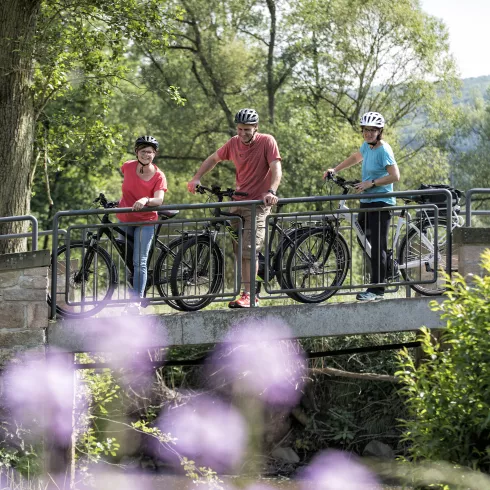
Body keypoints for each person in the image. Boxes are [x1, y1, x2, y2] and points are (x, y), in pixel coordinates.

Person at [187, 108, 282, 308]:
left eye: (247, 129)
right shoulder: (233, 142)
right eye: (239, 129)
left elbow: (276, 169)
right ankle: (257, 272)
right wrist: (197, 177)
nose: (242, 133)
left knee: (248, 251)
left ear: (256, 127)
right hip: (237, 204)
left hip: (258, 204)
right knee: (239, 249)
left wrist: (271, 191)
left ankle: (250, 295)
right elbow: (214, 158)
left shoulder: (267, 141)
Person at [323, 111, 400, 301]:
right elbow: (355, 158)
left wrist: (371, 183)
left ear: (379, 131)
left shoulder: (384, 149)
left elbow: (395, 176)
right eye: (366, 130)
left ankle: (377, 290)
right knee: (364, 240)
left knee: (377, 247)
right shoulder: (367, 146)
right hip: (366, 201)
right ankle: (388, 266)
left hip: (381, 203)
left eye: (373, 130)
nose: (369, 134)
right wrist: (335, 169)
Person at [117, 135, 167, 313]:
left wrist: (146, 199)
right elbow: (127, 189)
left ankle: (136, 301)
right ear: (136, 152)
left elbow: (159, 200)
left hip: (145, 221)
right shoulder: (128, 166)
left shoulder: (159, 176)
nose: (147, 154)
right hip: (124, 219)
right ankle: (134, 292)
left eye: (151, 152)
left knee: (140, 261)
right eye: (143, 151)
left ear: (155, 154)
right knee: (127, 260)